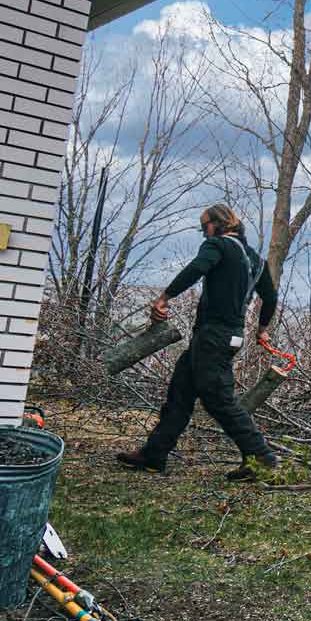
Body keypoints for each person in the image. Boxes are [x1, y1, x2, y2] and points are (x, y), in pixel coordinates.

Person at [115, 203, 281, 482]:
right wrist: (262, 330)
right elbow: (271, 297)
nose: (203, 233)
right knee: (180, 393)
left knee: (220, 400)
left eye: (204, 226)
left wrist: (164, 298)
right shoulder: (256, 260)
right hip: (228, 336)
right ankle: (154, 454)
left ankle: (260, 457)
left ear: (219, 224)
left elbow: (197, 268)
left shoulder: (217, 245)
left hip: (212, 337)